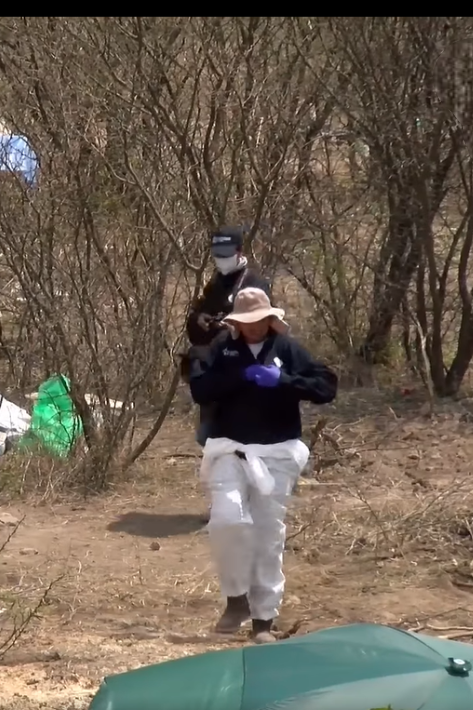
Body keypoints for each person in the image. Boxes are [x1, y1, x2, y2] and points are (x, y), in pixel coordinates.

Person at [188, 287, 337, 645]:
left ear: (271, 319)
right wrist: (237, 377)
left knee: (267, 534)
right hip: (230, 448)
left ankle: (263, 620)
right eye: (247, 321)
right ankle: (236, 597)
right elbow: (200, 389)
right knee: (227, 520)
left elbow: (325, 387)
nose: (254, 327)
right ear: (237, 323)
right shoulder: (223, 349)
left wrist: (283, 381)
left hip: (277, 453)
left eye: (260, 320)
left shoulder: (287, 349)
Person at [183, 226, 272, 445]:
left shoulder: (254, 284)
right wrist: (199, 320)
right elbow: (194, 329)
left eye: (226, 253)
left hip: (244, 376)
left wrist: (232, 327)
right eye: (217, 253)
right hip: (214, 375)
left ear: (239, 251)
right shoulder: (214, 284)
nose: (221, 258)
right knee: (209, 440)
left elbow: (265, 330)